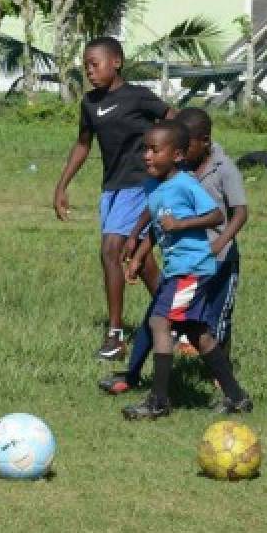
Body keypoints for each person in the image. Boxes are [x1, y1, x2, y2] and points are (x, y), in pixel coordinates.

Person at [101, 107, 249, 394]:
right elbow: (160, 218)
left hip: (213, 261)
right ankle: (135, 377)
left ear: (200, 142)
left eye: (185, 143)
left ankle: (217, 385)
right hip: (183, 262)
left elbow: (234, 214)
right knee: (167, 322)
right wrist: (140, 247)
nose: (149, 156)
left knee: (208, 322)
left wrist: (219, 243)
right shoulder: (170, 175)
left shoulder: (220, 169)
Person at [53, 36, 172, 361]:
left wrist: (166, 158)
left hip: (140, 184)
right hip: (112, 189)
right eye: (86, 66)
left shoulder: (138, 97)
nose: (89, 71)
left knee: (111, 250)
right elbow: (82, 144)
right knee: (143, 259)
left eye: (95, 64)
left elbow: (172, 118)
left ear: (116, 61)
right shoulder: (90, 103)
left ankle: (115, 335)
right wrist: (62, 185)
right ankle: (176, 321)